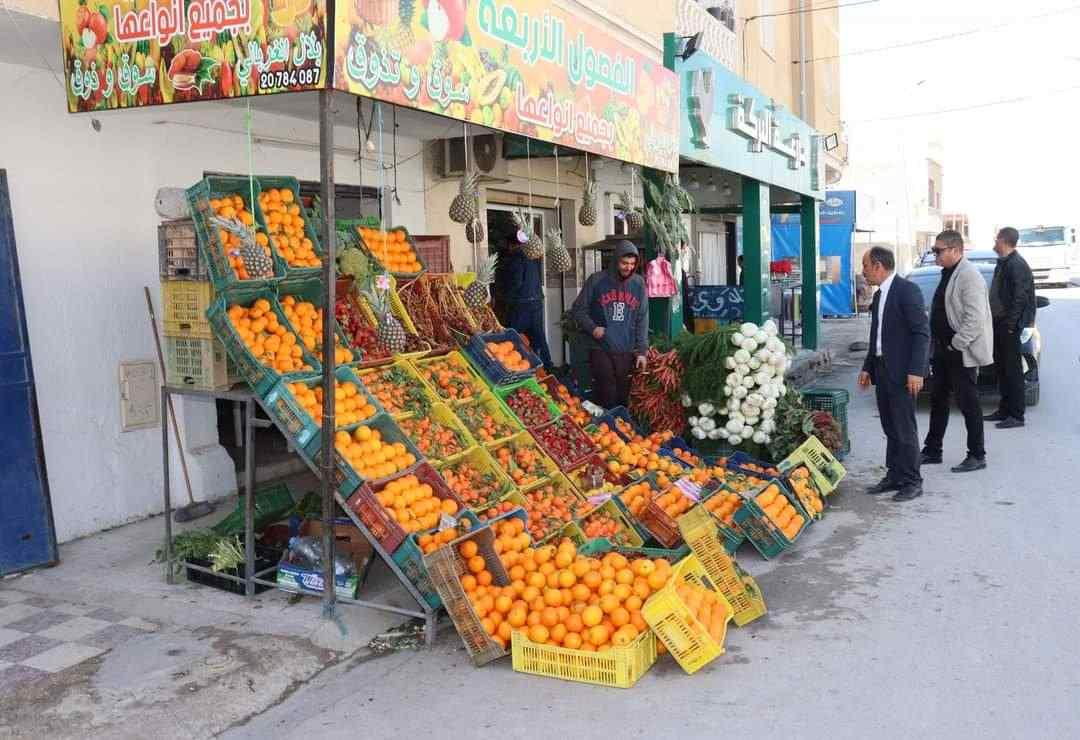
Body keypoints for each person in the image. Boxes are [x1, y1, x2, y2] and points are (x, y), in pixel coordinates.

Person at [858, 246, 930, 502]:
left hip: (902, 373)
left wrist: (916, 371)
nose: (863, 272)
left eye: (865, 266)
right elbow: (875, 336)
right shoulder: (879, 296)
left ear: (878, 266)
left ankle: (912, 480)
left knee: (904, 427)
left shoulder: (907, 290)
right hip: (882, 370)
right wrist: (868, 366)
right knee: (890, 426)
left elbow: (921, 333)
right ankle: (894, 475)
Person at [920, 230, 993, 473]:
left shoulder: (969, 276)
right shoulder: (949, 272)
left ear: (955, 250)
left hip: (960, 351)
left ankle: (977, 454)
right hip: (943, 350)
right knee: (938, 400)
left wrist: (956, 344)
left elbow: (975, 318)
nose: (935, 255)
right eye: (934, 250)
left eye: (938, 250)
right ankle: (932, 450)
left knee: (968, 402)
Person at [571, 241, 649, 409]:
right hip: (600, 346)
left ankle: (619, 428)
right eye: (624, 263)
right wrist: (592, 328)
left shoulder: (639, 284)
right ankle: (607, 427)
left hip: (625, 348)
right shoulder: (597, 280)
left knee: (622, 394)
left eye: (632, 264)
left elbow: (642, 318)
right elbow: (578, 310)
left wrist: (642, 351)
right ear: (615, 260)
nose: (628, 267)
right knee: (606, 391)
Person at [985, 227, 1035, 429]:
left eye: (996, 239)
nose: (994, 242)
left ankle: (1016, 415)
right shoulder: (1004, 263)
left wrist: (1010, 325)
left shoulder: (1016, 264)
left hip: (1009, 327)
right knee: (1002, 369)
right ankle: (1004, 409)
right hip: (999, 324)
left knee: (1013, 371)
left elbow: (1021, 298)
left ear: (1003, 241)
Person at [503, 233, 554, 372]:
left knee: (511, 337)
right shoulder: (533, 256)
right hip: (536, 302)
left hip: (522, 304)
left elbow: (516, 282)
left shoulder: (516, 258)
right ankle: (547, 367)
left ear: (511, 245)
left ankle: (511, 368)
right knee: (539, 336)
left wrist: (506, 297)